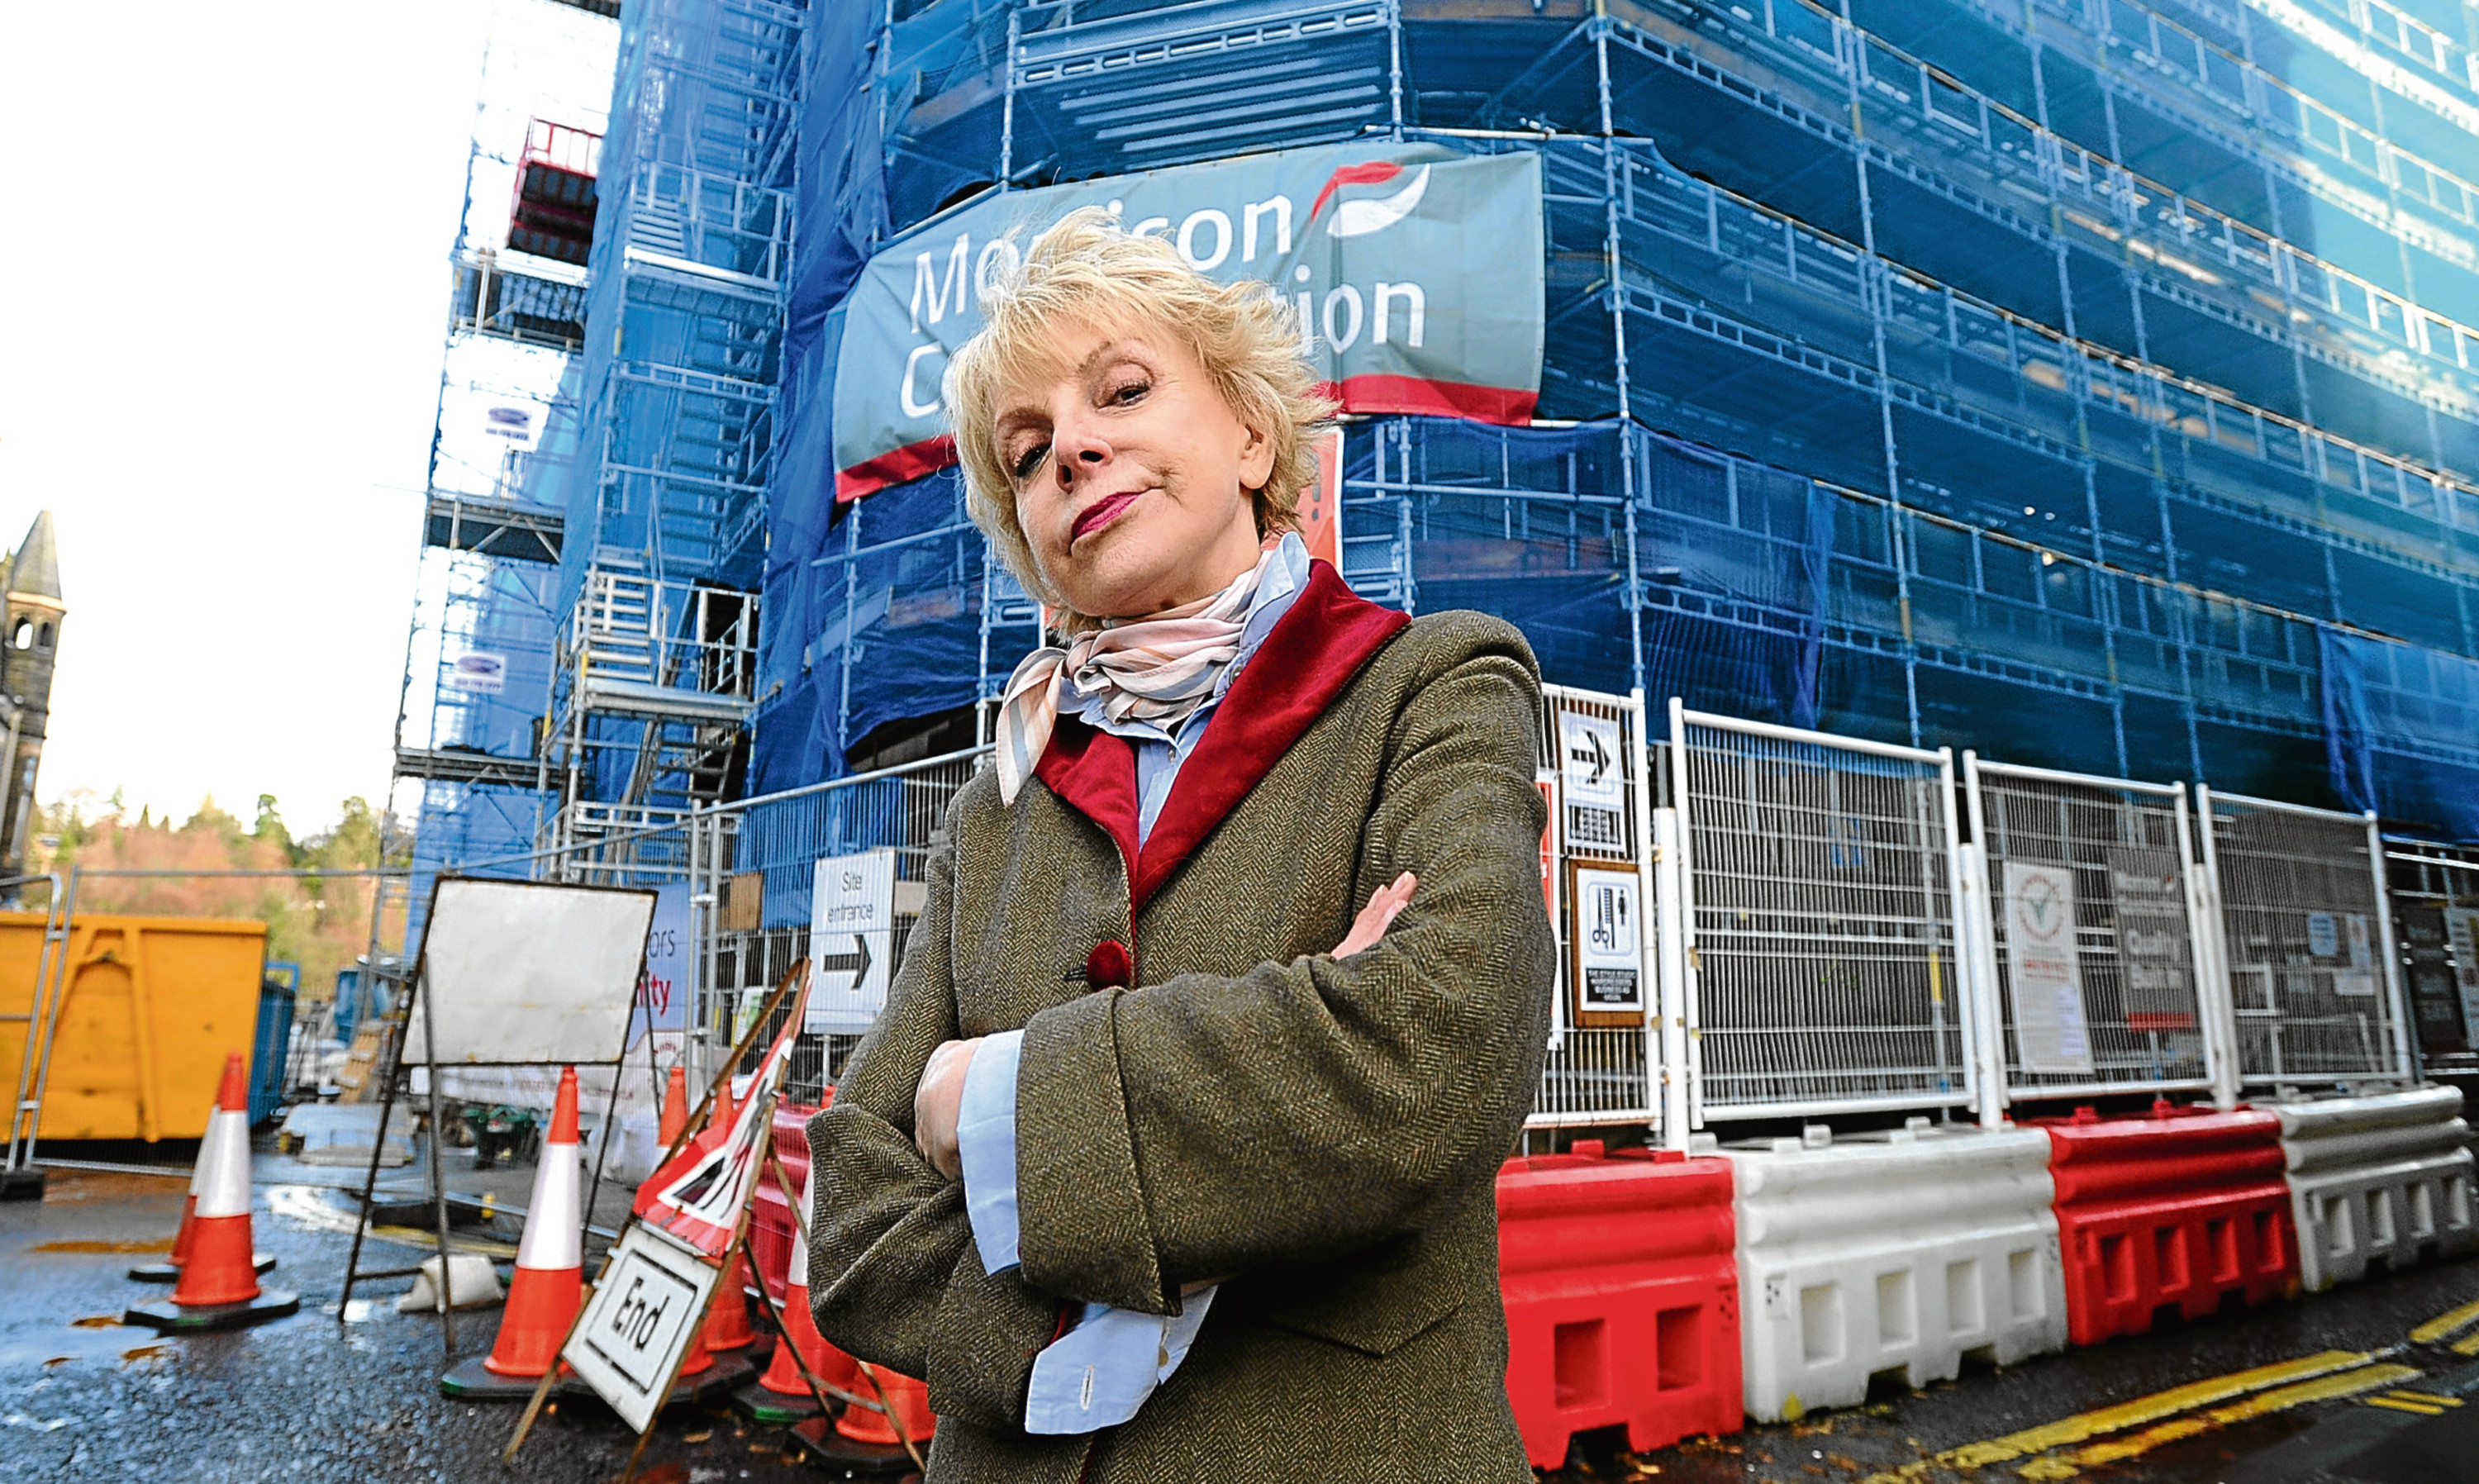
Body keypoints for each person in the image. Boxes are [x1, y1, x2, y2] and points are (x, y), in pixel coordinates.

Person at [806, 207, 1554, 1482]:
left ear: (1256, 437)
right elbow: (856, 1212)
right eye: (1030, 454)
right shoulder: (998, 806)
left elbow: (1438, 1054)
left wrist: (990, 1105)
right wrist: (1061, 1345)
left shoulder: (1432, 684)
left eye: (1125, 392)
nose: (1075, 452)